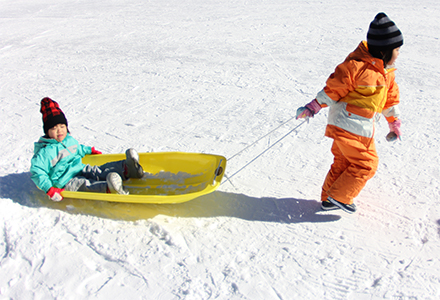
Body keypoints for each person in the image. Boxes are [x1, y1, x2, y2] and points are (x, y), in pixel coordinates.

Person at [296, 12, 403, 214]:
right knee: (367, 164)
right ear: (384, 51)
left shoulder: (387, 74)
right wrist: (314, 106)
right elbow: (333, 89)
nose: (398, 53)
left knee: (344, 162)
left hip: (357, 127)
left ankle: (329, 199)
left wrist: (394, 122)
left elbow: (389, 100)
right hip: (351, 126)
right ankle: (340, 196)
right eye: (396, 49)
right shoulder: (356, 67)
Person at [30, 97, 144, 202]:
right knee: (85, 185)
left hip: (79, 168)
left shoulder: (68, 140)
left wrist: (89, 150)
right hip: (64, 181)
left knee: (96, 170)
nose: (59, 131)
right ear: (47, 132)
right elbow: (37, 171)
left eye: (62, 126)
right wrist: (49, 189)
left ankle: (128, 168)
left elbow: (78, 148)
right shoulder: (45, 152)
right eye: (54, 128)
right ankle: (110, 188)